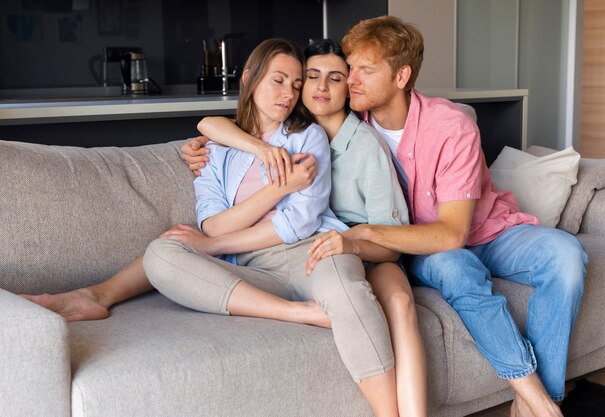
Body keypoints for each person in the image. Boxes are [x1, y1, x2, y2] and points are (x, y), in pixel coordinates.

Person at [182, 15, 588, 417]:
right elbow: (236, 123)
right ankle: (535, 400)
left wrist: (359, 235)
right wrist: (207, 143)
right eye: (348, 69)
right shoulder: (341, 118)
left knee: (567, 255)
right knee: (455, 271)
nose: (349, 79)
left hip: (477, 230)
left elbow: (449, 232)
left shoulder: (448, 126)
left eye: (361, 71)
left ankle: (536, 399)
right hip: (419, 246)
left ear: (400, 76)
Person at [22, 38, 407, 417]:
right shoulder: (216, 148)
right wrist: (277, 188)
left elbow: (297, 222)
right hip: (245, 267)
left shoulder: (309, 137)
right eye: (279, 80)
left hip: (309, 251)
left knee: (348, 292)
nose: (289, 94)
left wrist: (211, 243)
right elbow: (211, 221)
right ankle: (299, 313)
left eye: (294, 84)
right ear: (249, 80)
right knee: (162, 252)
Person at [186, 39, 428, 417]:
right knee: (168, 251)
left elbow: (389, 242)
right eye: (309, 78)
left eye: (335, 78)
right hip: (318, 249)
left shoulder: (362, 146)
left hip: (368, 251)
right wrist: (216, 141)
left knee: (396, 302)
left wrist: (350, 244)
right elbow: (209, 123)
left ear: (349, 87)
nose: (319, 88)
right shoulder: (290, 132)